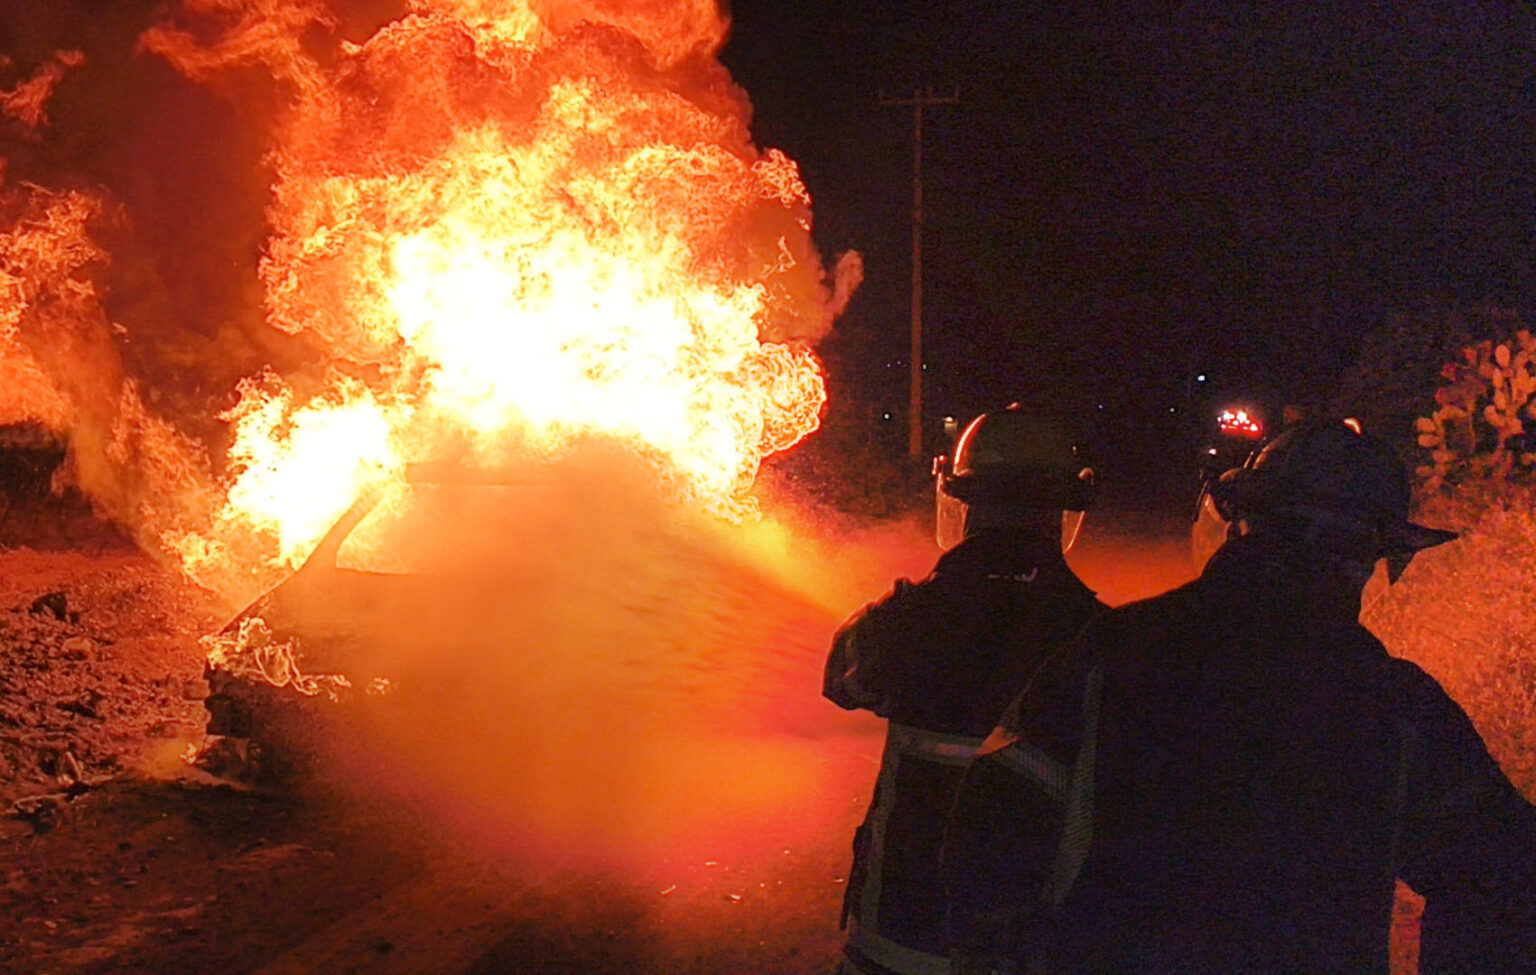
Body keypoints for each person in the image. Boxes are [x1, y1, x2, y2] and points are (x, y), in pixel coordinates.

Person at [944, 418, 1536, 974]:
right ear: (1368, 558)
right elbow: (1503, 878)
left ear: (1238, 519)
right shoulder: (1394, 707)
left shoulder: (1112, 653)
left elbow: (988, 837)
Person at [824, 405, 1104, 975]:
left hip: (895, 940)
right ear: (1063, 511)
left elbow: (842, 680)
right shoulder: (1097, 637)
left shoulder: (907, 621)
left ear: (960, 500)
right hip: (1021, 948)